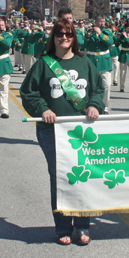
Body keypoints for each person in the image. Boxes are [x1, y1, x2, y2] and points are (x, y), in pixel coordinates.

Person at [20, 19, 104, 246]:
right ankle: (63, 227)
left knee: (84, 176)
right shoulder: (43, 64)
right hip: (52, 131)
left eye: (68, 34)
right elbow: (28, 92)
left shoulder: (85, 62)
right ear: (53, 37)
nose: (64, 38)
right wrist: (43, 109)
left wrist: (95, 105)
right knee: (60, 178)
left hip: (82, 131)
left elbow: (98, 89)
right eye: (59, 34)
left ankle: (83, 225)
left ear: (74, 37)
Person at [84, 15, 113, 113]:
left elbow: (109, 42)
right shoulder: (89, 32)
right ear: (95, 22)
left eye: (103, 21)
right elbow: (83, 45)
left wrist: (100, 33)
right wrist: (87, 36)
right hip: (91, 60)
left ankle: (104, 107)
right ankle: (91, 106)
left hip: (104, 61)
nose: (102, 23)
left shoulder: (107, 32)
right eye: (100, 21)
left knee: (107, 85)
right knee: (91, 85)